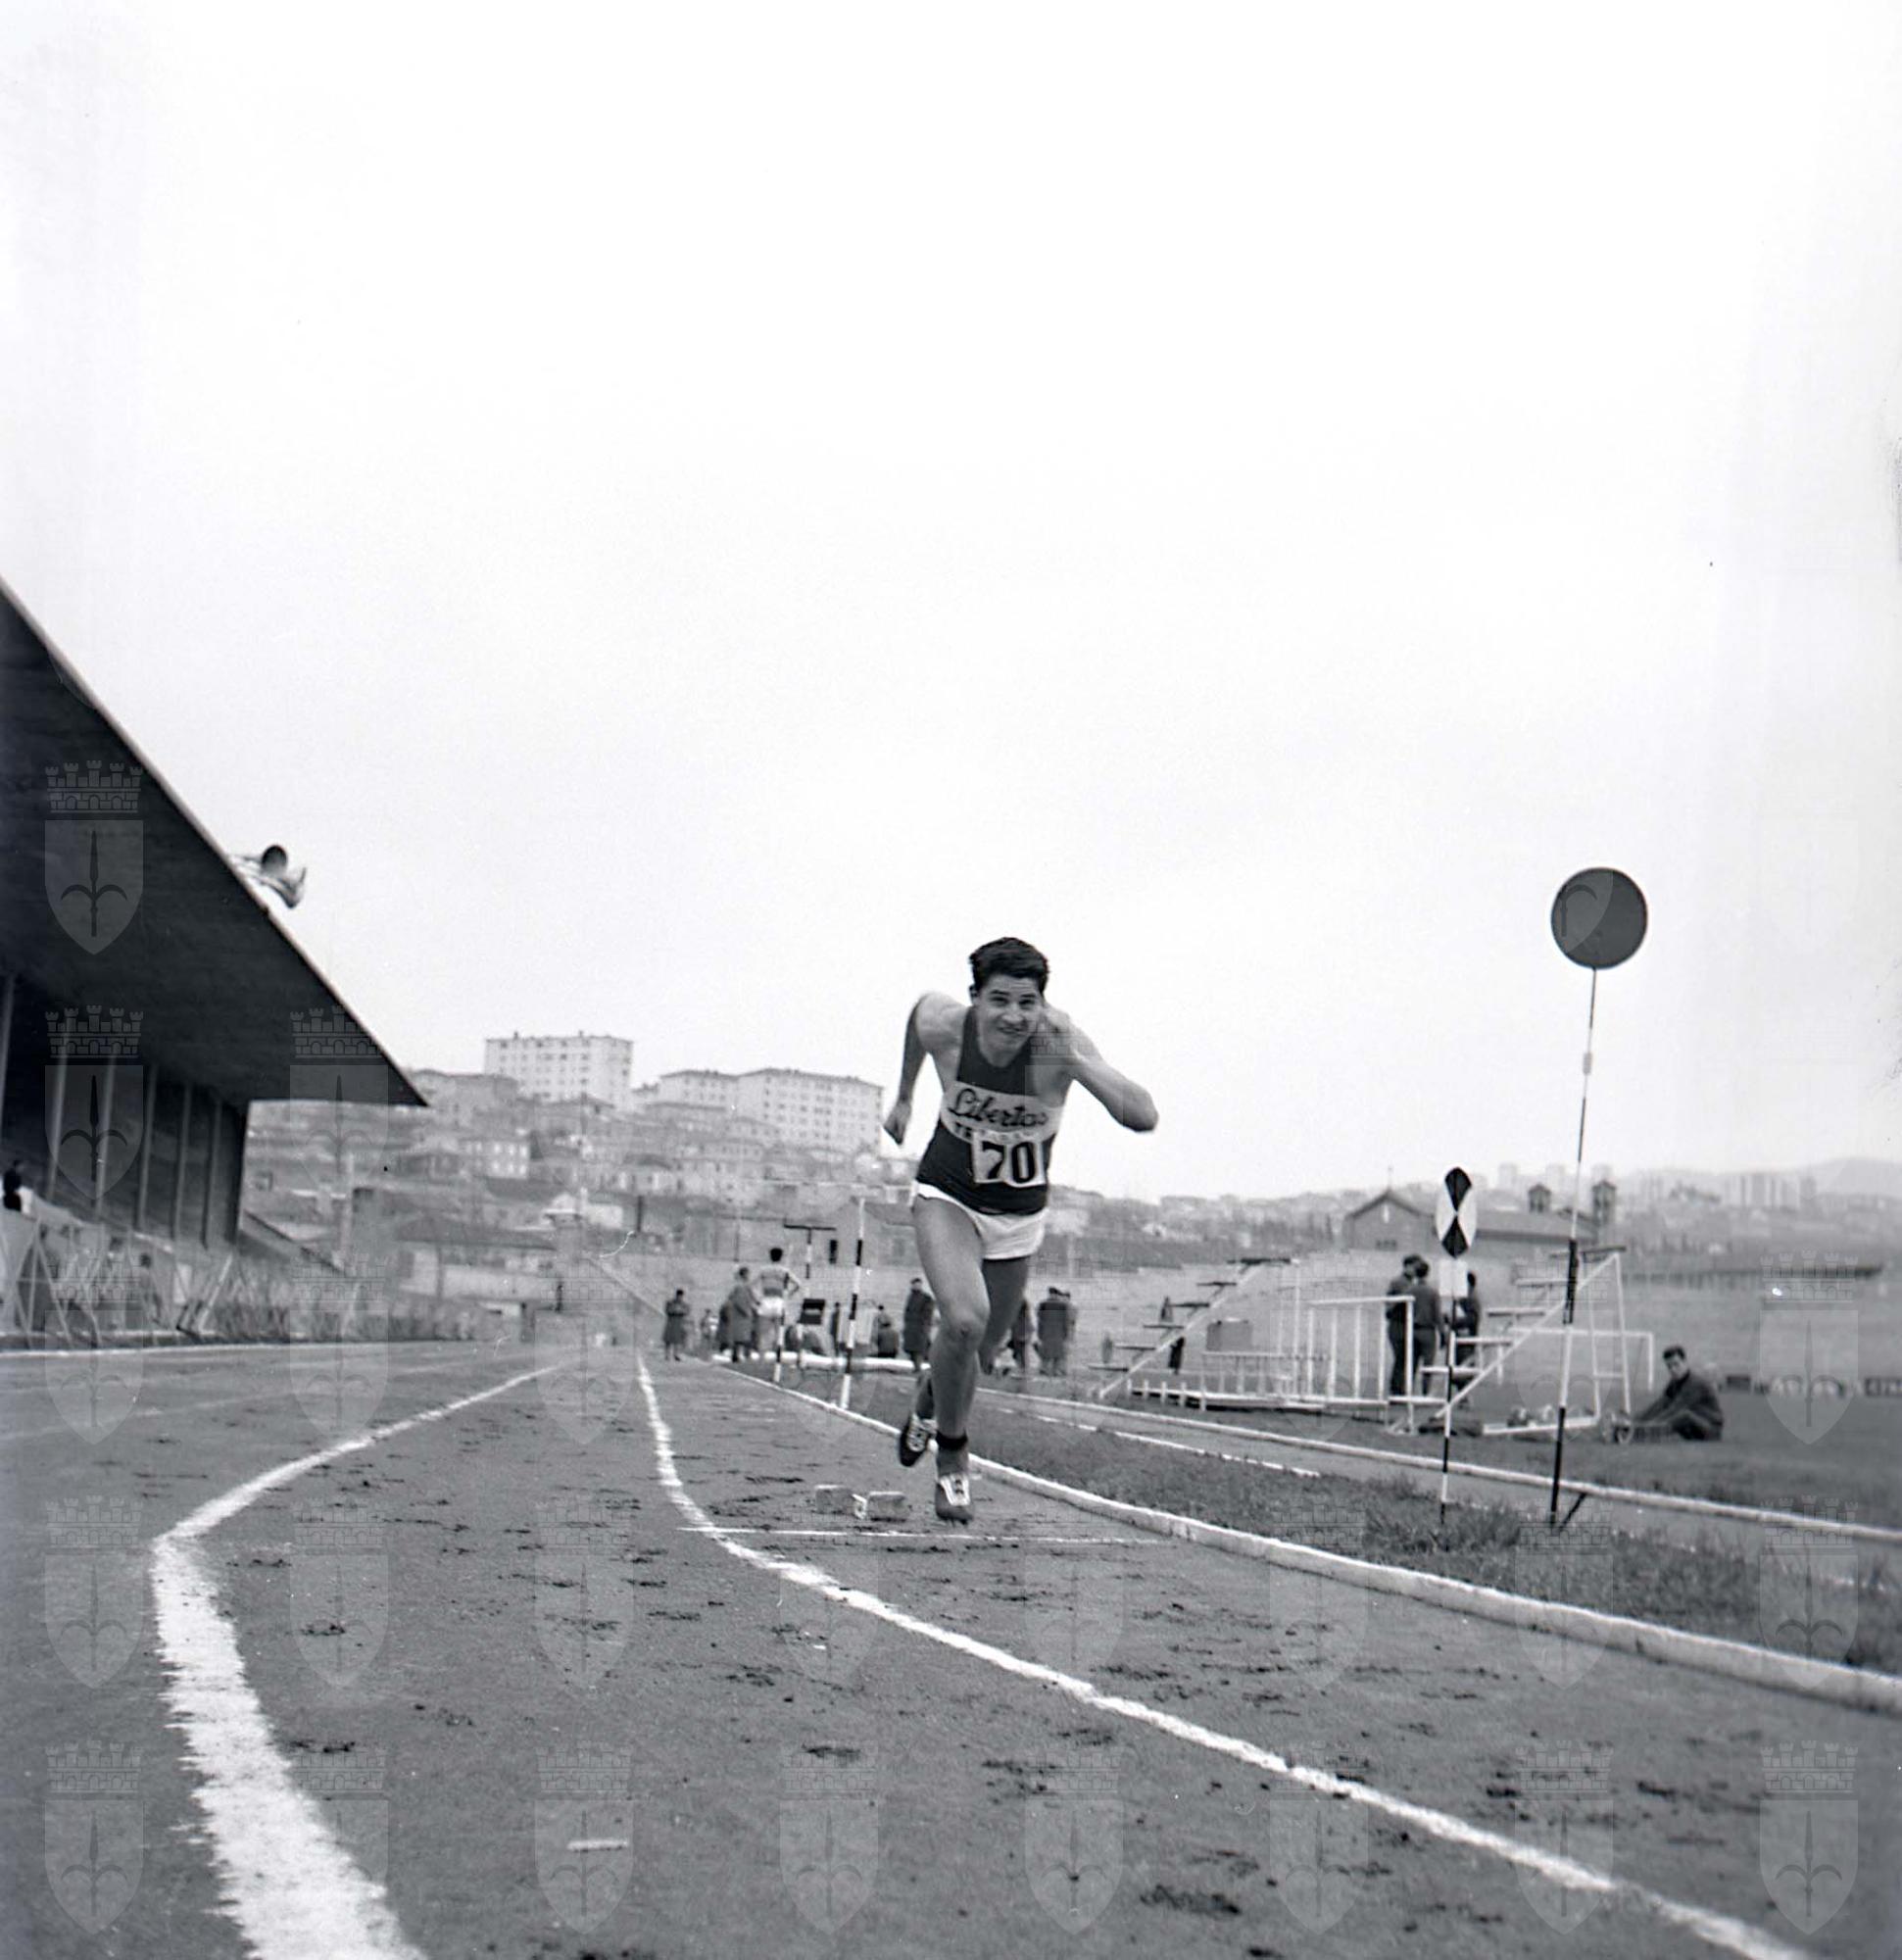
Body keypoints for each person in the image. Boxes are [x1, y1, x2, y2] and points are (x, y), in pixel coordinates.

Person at [884, 936, 1157, 1523]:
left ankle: (930, 1400)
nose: (1013, 1017)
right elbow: (916, 1022)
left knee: (979, 1349)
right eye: (1000, 1001)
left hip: (1019, 1217)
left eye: (1027, 1003)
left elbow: (1143, 1115)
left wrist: (1075, 1063)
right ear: (975, 999)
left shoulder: (1058, 1043)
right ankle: (953, 1459)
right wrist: (905, 1097)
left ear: (1043, 1005)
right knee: (964, 1321)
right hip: (948, 1196)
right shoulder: (947, 1026)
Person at [1629, 1345, 1725, 1442]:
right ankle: (1637, 1430)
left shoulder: (1695, 1383)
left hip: (1712, 1429)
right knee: (1677, 1414)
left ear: (1685, 1362)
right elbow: (1661, 1403)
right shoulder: (1675, 1382)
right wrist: (1636, 1420)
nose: (1673, 1369)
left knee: (1684, 1416)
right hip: (1695, 1426)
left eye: (1676, 1364)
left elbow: (1675, 1409)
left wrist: (1647, 1426)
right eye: (1669, 1366)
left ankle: (1642, 1433)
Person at [756, 1246, 800, 1361]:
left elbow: (752, 1284)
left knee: (763, 1333)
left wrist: (758, 1297)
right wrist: (789, 1294)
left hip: (766, 1301)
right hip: (779, 1302)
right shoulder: (784, 1271)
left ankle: (761, 1358)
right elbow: (798, 1284)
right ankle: (778, 1359)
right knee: (779, 1332)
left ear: (770, 1256)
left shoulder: (764, 1270)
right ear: (781, 1257)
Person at [716, 1266, 757, 1361]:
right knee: (740, 1336)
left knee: (741, 1336)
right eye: (748, 1274)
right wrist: (746, 1310)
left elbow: (752, 1297)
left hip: (741, 1313)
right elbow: (738, 1300)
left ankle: (740, 1354)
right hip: (741, 1314)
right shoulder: (740, 1286)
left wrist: (755, 1304)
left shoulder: (745, 1286)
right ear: (744, 1274)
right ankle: (740, 1354)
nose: (749, 1276)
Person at [901, 1278, 935, 1374]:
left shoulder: (926, 1298)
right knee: (911, 1349)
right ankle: (916, 1367)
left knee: (919, 1349)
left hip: (920, 1328)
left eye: (917, 1284)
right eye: (914, 1284)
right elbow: (907, 1312)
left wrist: (924, 1325)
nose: (916, 1286)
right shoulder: (910, 1297)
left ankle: (918, 1368)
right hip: (910, 1327)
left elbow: (928, 1313)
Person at [1036, 1286, 1072, 1376]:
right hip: (1058, 1332)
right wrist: (1066, 1333)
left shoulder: (1043, 1304)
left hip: (1046, 1332)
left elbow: (1040, 1319)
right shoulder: (1063, 1305)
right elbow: (1066, 1320)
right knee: (1057, 1353)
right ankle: (1055, 1370)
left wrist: (1039, 1333)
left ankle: (1043, 1368)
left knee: (1046, 1352)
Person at [662, 1287, 691, 1361]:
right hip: (671, 1322)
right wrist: (675, 1310)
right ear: (676, 1295)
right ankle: (667, 1355)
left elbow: (687, 1311)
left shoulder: (684, 1304)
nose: (680, 1298)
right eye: (679, 1296)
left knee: (677, 1340)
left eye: (681, 1296)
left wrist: (680, 1311)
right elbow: (667, 1310)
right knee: (668, 1339)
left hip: (679, 1323)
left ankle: (676, 1354)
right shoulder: (670, 1302)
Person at [1006, 1297, 1032, 1376]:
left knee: (1019, 1353)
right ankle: (1023, 1370)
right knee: (1022, 1352)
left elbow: (1012, 1324)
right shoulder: (1026, 1316)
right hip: (1024, 1334)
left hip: (1018, 1335)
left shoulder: (1016, 1316)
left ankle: (1021, 1370)